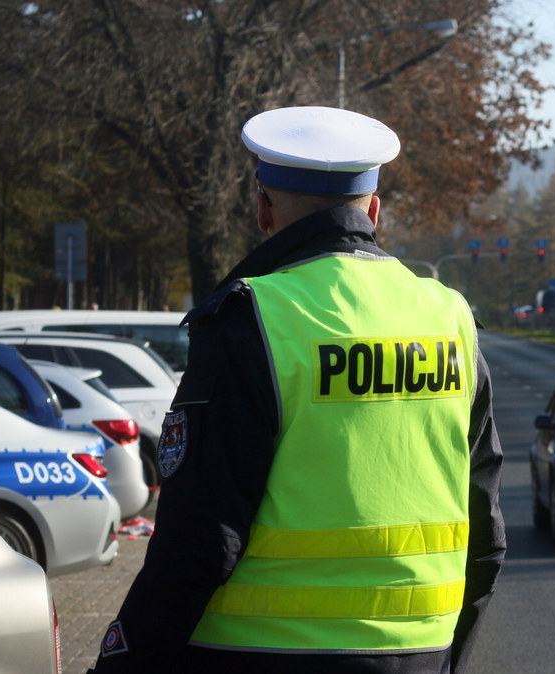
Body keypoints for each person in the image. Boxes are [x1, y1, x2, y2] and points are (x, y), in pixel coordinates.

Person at [89, 106, 506, 673]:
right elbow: (485, 533)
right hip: (421, 653)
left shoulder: (253, 318)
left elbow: (200, 542)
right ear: (374, 210)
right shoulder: (450, 317)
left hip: (261, 653)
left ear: (263, 208)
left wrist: (124, 661)